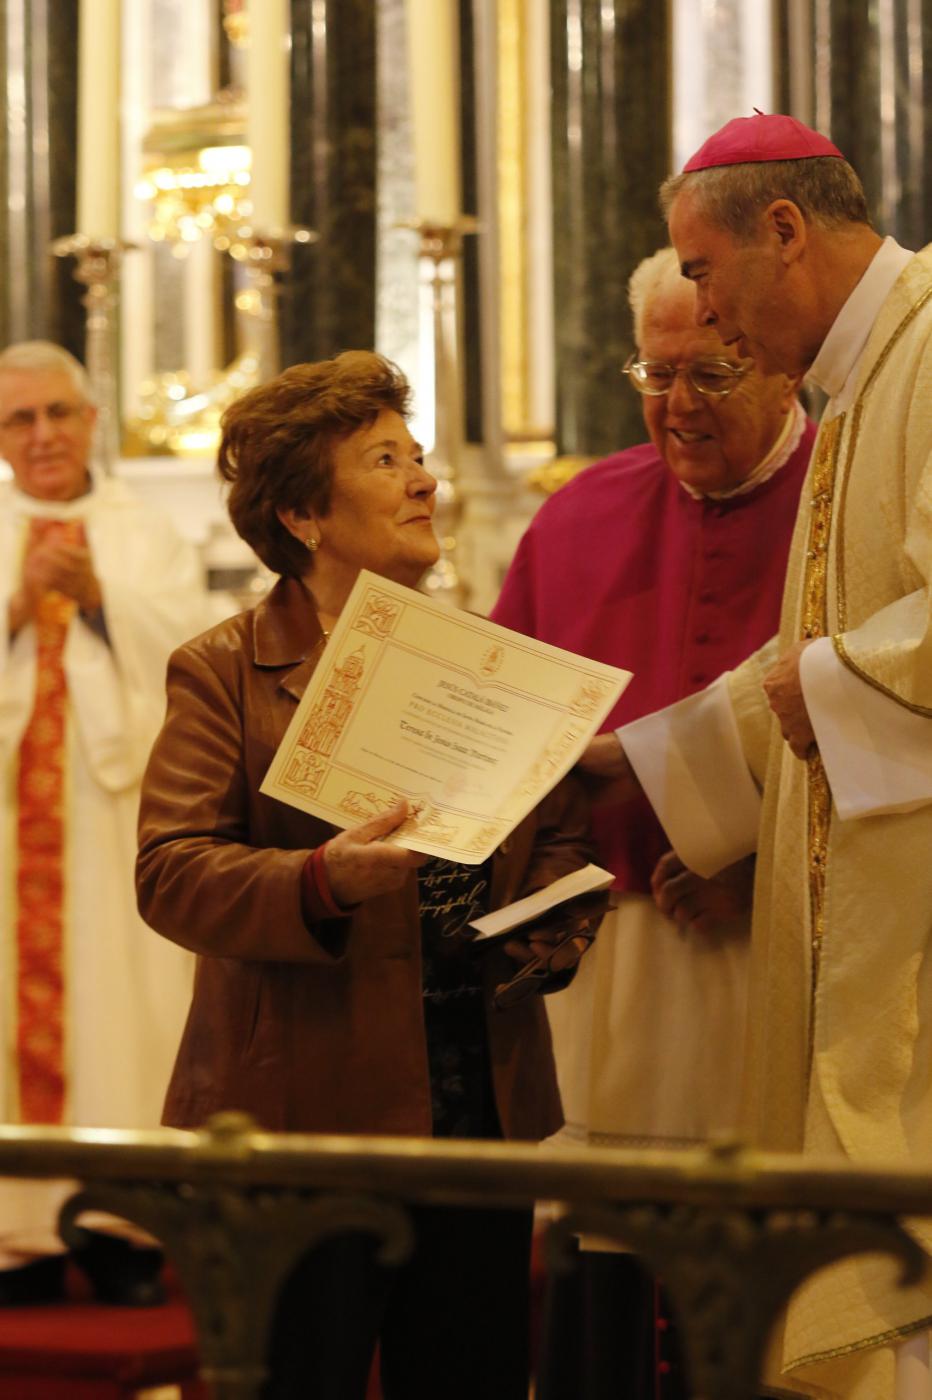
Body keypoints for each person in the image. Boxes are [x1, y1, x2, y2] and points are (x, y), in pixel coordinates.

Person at [135, 350, 605, 1400]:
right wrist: (319, 881)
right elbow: (169, 871)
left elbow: (557, 826)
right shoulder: (223, 669)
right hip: (303, 1115)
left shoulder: (481, 655)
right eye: (385, 458)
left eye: (418, 453)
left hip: (472, 1101)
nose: (423, 480)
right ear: (303, 513)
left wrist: (556, 915)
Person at [581, 113, 932, 1399]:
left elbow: (825, 663)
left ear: (782, 231)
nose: (706, 316)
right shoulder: (856, 379)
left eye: (702, 271)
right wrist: (627, 761)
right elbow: (799, 653)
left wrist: (825, 680)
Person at [492, 246, 814, 1399]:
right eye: (655, 371)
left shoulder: (844, 509)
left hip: (788, 962)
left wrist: (764, 871)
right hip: (610, 973)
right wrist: (563, 872)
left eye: (710, 373)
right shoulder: (575, 516)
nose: (675, 404)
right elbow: (507, 749)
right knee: (599, 1298)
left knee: (768, 1286)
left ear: (781, 368)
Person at [0, 341, 208, 1268]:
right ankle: (16, 1237)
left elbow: (191, 652)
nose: (42, 435)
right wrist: (17, 604)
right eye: (18, 418)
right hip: (11, 822)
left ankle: (124, 1224)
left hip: (114, 809)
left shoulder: (142, 532)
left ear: (90, 420)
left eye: (57, 413)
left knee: (124, 1003)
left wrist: (100, 600)